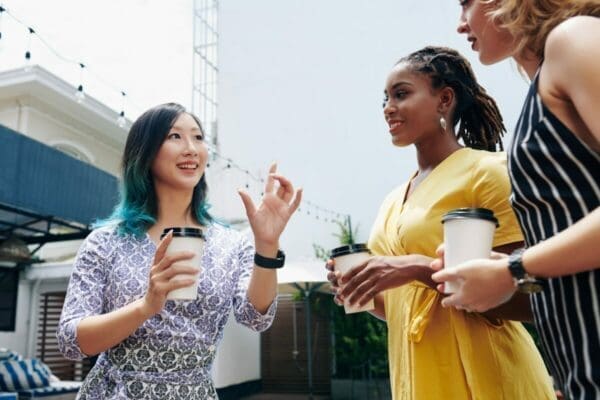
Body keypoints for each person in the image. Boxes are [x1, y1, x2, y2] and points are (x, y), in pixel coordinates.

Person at [326, 46, 555, 399]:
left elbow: (533, 300)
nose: (388, 107)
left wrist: (419, 268)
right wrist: (363, 290)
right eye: (384, 98)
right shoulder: (392, 200)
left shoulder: (487, 171)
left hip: (489, 380)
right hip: (418, 383)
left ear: (444, 99)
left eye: (401, 94)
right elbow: (406, 309)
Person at [57, 103, 302, 399]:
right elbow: (71, 341)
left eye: (198, 137)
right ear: (145, 153)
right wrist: (146, 306)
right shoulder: (105, 242)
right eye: (175, 137)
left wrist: (266, 246)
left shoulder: (231, 243)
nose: (191, 149)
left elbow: (256, 317)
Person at [431, 2, 600, 398]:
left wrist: (514, 267)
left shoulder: (574, 39)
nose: (460, 25)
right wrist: (512, 272)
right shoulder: (546, 78)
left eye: (465, 3)